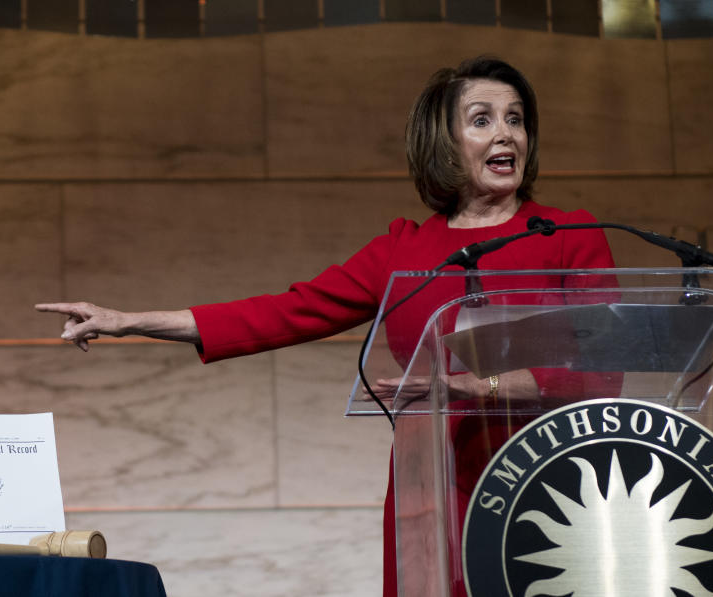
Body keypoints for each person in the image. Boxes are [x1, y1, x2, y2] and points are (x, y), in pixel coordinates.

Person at [36, 56, 616, 595]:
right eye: (482, 119)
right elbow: (286, 312)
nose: (505, 134)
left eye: (515, 119)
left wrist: (472, 387)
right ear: (444, 143)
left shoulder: (569, 234)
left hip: (551, 477)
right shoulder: (405, 250)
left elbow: (602, 373)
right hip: (434, 485)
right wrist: (132, 321)